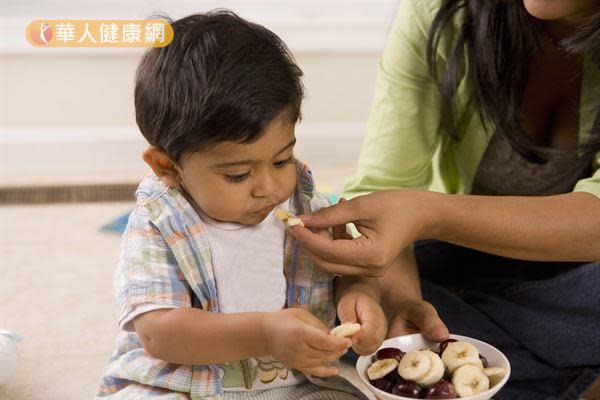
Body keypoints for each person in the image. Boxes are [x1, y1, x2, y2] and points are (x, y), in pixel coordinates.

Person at [289, 0, 600, 399]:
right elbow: (384, 184)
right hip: (468, 259)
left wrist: (427, 213)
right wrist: (404, 300)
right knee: (332, 299)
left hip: (582, 280)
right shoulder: (440, 11)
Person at [96, 11, 387, 399]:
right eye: (237, 175)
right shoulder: (158, 222)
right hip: (183, 384)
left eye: (281, 160)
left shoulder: (307, 208)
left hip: (297, 383)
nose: (269, 187)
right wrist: (265, 333)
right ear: (168, 167)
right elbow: (158, 333)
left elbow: (349, 269)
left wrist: (359, 298)